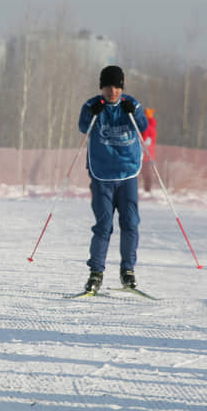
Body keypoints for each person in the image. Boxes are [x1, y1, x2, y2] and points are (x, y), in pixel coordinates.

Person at [78, 65, 148, 293]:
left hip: (127, 173)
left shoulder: (131, 105)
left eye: (117, 87)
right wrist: (93, 114)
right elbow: (82, 126)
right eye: (108, 86)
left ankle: (128, 271)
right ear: (102, 87)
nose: (113, 91)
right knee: (104, 225)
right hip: (102, 175)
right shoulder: (92, 106)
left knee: (130, 223)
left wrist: (135, 113)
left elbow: (143, 127)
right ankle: (95, 273)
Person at [141, 108, 157, 192]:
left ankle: (147, 190)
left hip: (144, 154)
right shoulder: (152, 126)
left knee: (145, 173)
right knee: (147, 173)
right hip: (150, 154)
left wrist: (141, 147)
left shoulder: (146, 127)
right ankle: (148, 190)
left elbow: (144, 139)